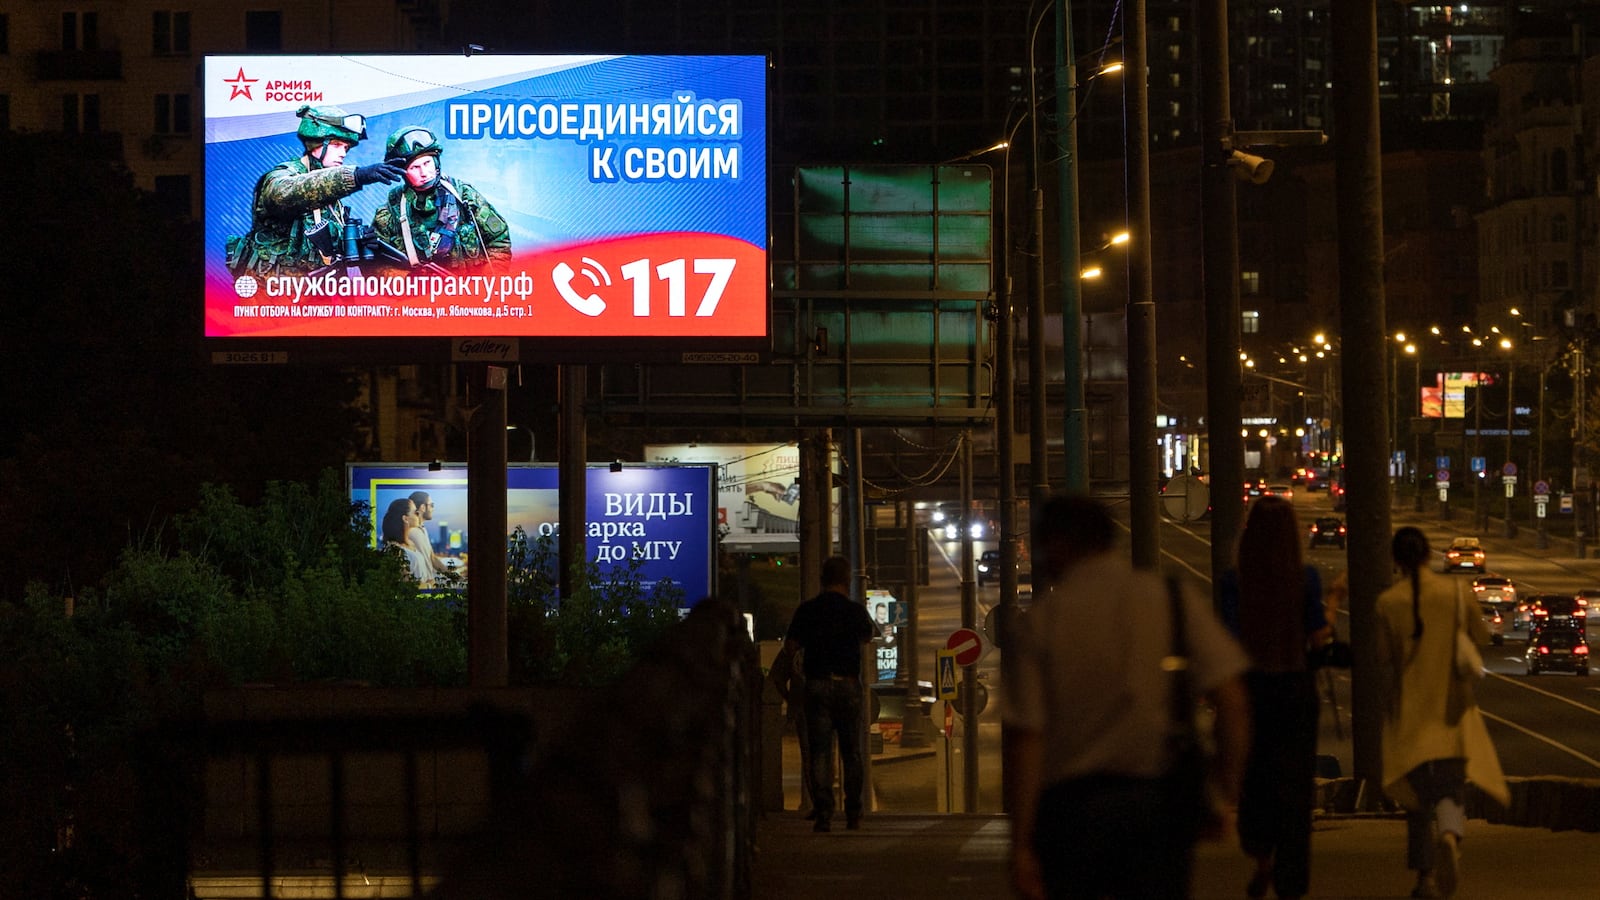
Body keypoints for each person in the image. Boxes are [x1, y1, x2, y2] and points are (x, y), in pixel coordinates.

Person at [1005, 494, 1250, 900]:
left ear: (1058, 544)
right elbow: (1233, 698)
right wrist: (1223, 790)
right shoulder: (1171, 599)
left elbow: (1026, 739)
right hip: (1159, 807)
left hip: (1071, 813)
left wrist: (1021, 846)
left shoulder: (1040, 624)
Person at [1376, 527, 1508, 899]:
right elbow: (1481, 636)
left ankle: (1424, 878)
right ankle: (1450, 836)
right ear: (1428, 556)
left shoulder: (1388, 602)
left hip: (1410, 709)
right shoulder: (1455, 592)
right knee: (1450, 786)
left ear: (1397, 561)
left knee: (1417, 798)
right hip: (1452, 706)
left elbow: (1383, 657)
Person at [1217, 496, 1332, 900]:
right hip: (1295, 690)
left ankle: (1261, 857)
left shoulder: (1234, 582)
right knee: (1295, 787)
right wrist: (1332, 604)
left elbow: (1228, 638)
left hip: (1251, 691)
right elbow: (1318, 635)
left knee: (1256, 780)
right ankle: (1291, 881)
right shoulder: (1306, 579)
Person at [228, 105, 405, 278]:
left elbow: (324, 250)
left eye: (345, 148)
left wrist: (361, 243)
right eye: (336, 145)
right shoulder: (282, 176)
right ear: (315, 143)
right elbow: (283, 194)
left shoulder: (331, 200)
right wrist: (357, 176)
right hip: (274, 295)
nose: (343, 153)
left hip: (317, 293)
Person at [774, 556, 878, 832]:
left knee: (820, 750)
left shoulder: (808, 610)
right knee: (851, 751)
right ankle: (854, 812)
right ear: (847, 580)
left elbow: (790, 647)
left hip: (817, 684)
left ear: (822, 579)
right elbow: (868, 636)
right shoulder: (854, 611)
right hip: (847, 684)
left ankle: (824, 813)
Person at [371, 125, 511, 272]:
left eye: (427, 163)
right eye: (414, 168)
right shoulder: (392, 212)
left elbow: (499, 239)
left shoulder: (464, 195)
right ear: (403, 173)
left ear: (436, 162)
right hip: (423, 294)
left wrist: (489, 279)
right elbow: (377, 265)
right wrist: (409, 282)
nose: (424, 172)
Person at [407, 491, 463, 582]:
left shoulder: (423, 530)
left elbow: (432, 558)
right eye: (431, 505)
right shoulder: (412, 532)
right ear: (423, 507)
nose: (433, 509)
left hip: (430, 582)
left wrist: (455, 577)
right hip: (423, 586)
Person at [381, 497, 433, 587]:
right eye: (416, 512)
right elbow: (407, 585)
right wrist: (429, 585)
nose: (419, 514)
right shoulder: (395, 550)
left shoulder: (411, 543)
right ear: (405, 519)